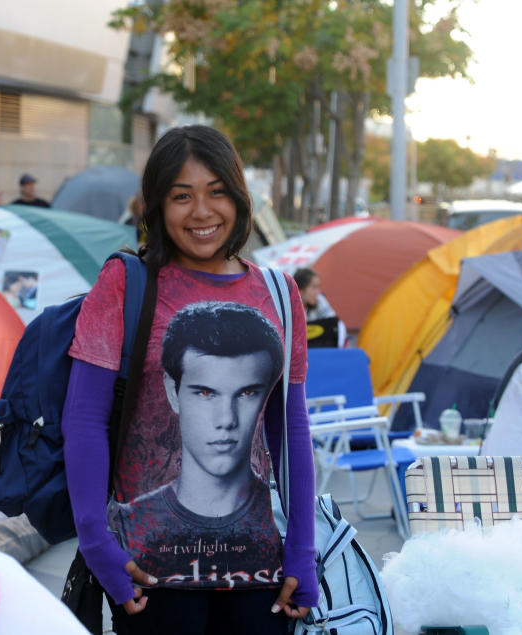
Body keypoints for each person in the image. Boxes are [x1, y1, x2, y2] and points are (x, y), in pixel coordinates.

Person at [62, 125, 317, 634]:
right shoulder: (126, 283)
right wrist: (97, 544)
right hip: (148, 575)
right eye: (182, 196)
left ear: (239, 198)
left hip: (262, 573)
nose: (201, 212)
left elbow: (291, 429)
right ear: (157, 206)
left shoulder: (280, 292)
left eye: (216, 191)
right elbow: (85, 418)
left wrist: (302, 551)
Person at [110, 302, 286, 589]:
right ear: (172, 391)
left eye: (247, 393)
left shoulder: (280, 520)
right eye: (205, 393)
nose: (226, 420)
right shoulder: (130, 523)